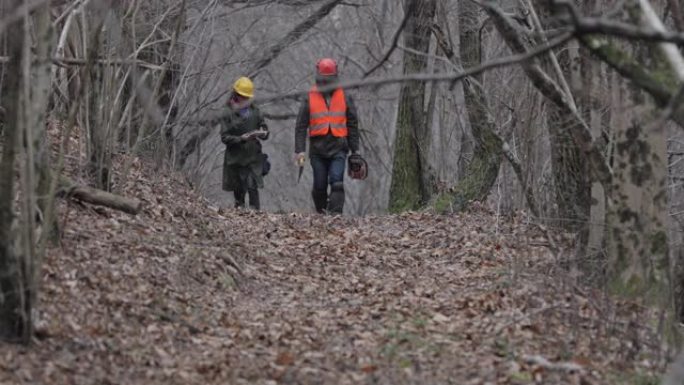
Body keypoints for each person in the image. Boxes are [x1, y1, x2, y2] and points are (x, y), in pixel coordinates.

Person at [294, 58, 360, 214]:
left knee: (337, 182)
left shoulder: (345, 96)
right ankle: (322, 215)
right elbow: (301, 126)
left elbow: (352, 124)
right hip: (317, 149)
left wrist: (355, 150)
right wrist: (300, 150)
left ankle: (335, 216)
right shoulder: (309, 97)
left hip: (339, 146)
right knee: (319, 184)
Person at [220, 76, 269, 210]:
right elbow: (224, 137)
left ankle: (256, 215)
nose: (246, 99)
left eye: (248, 97)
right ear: (237, 94)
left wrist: (263, 133)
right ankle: (240, 215)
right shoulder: (227, 112)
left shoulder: (255, 111)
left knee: (253, 187)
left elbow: (265, 128)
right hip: (235, 159)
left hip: (253, 157)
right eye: (243, 96)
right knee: (239, 192)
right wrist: (241, 139)